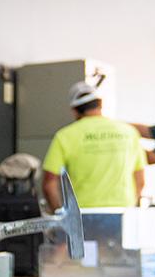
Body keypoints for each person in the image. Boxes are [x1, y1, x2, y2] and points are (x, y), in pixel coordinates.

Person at [41, 81, 145, 211]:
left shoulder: (64, 136)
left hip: (82, 215)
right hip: (124, 212)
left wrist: (62, 215)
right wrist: (130, 208)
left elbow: (49, 184)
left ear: (74, 111)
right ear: (100, 104)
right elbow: (140, 180)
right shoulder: (129, 132)